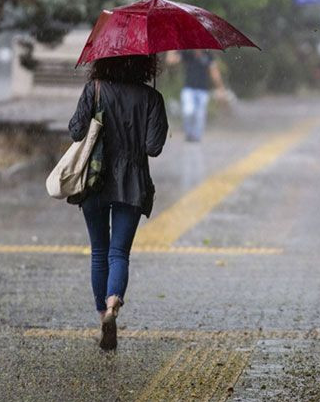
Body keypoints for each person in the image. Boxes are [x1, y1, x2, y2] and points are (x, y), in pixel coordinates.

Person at [68, 54, 168, 351]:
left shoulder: (94, 88)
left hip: (94, 179)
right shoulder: (151, 97)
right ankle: (114, 304)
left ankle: (102, 316)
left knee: (99, 251)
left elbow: (75, 131)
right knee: (119, 253)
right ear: (144, 64)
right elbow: (154, 147)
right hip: (132, 183)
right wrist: (152, 108)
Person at [167, 50, 228, 142]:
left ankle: (196, 136)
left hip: (203, 90)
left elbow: (214, 72)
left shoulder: (208, 56)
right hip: (188, 89)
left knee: (200, 115)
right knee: (188, 111)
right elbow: (171, 61)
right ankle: (189, 133)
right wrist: (172, 48)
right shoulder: (187, 54)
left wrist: (220, 88)